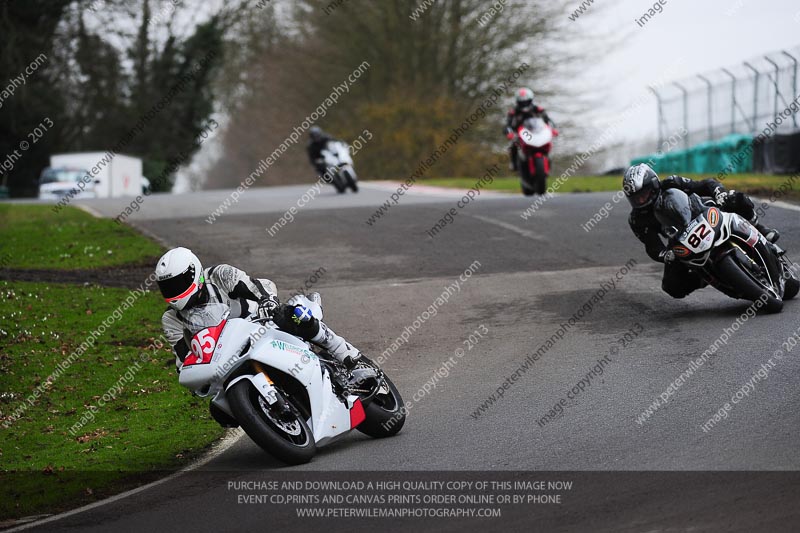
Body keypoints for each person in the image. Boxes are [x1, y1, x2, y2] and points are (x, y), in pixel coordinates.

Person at [155, 247, 363, 372]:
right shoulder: (171, 319)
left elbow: (256, 286)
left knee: (293, 316)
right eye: (168, 287)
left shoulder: (219, 275)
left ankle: (341, 350)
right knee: (219, 410)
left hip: (260, 322)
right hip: (227, 355)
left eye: (178, 283)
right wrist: (186, 371)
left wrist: (267, 302)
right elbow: (183, 357)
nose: (175, 290)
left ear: (194, 273)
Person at [623, 163, 779, 298]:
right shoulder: (637, 219)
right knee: (671, 286)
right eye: (636, 198)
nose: (641, 200)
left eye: (643, 194)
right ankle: (704, 277)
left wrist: (720, 193)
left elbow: (705, 184)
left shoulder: (672, 182)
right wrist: (665, 255)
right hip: (678, 237)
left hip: (703, 210)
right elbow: (652, 245)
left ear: (654, 184)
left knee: (736, 199)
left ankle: (759, 229)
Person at [503, 88, 557, 171]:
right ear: (518, 101)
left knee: (548, 143)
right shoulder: (513, 112)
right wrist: (509, 133)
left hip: (536, 133)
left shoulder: (538, 109)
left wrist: (553, 129)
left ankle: (548, 160)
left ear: (530, 100)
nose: (524, 103)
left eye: (526, 101)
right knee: (514, 145)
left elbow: (548, 121)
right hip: (519, 134)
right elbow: (507, 125)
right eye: (522, 102)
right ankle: (514, 164)